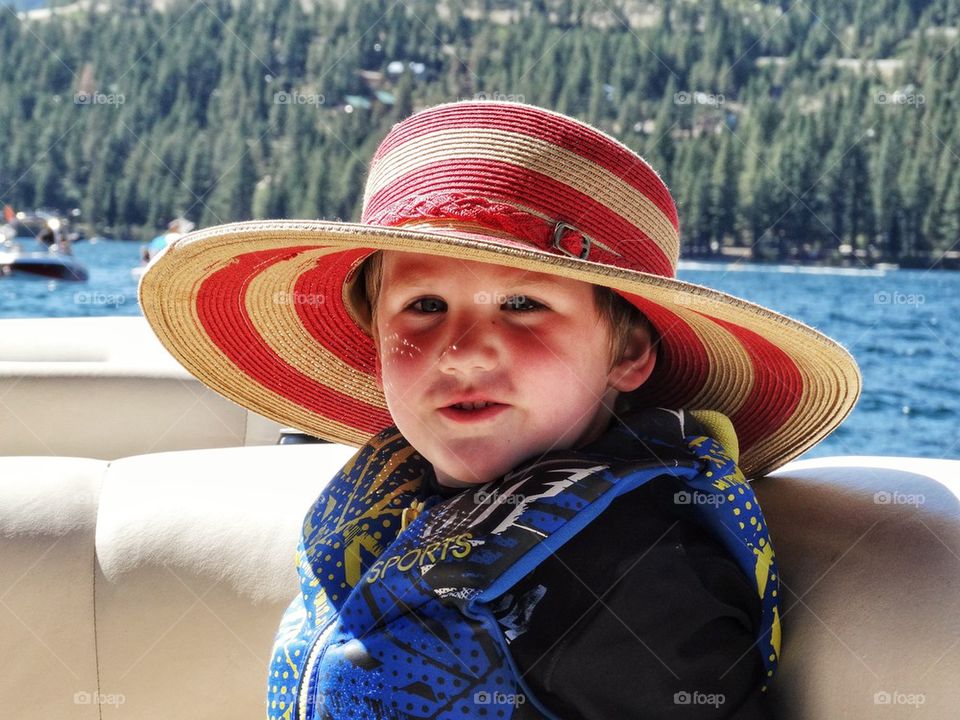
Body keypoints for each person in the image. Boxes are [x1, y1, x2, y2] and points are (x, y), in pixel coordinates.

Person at [138, 101, 861, 719]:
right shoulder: (397, 504)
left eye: (522, 304)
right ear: (376, 343)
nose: (461, 352)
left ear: (629, 351)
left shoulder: (640, 569)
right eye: (424, 306)